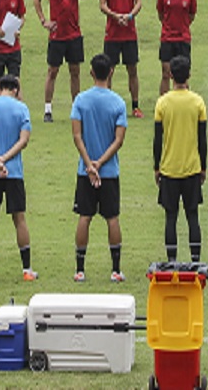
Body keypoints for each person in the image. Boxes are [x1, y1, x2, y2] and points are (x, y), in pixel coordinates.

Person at [70, 54, 128, 283]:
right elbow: (118, 140)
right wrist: (101, 163)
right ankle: (115, 270)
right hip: (109, 171)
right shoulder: (118, 103)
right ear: (111, 72)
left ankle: (80, 270)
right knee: (112, 217)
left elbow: (77, 135)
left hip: (85, 171)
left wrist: (89, 164)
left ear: (91, 72)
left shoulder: (81, 100)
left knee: (85, 217)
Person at [0, 74, 35, 281]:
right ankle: (27, 270)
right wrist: (5, 159)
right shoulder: (22, 109)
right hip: (14, 172)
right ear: (16, 90)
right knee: (19, 218)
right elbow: (24, 140)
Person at [154, 55, 208, 263]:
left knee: (171, 217)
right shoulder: (197, 102)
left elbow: (157, 140)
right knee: (192, 216)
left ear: (170, 75)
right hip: (192, 168)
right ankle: (195, 260)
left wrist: (156, 167)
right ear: (189, 75)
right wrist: (203, 166)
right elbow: (202, 139)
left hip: (168, 169)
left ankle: (172, 260)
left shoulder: (162, 103)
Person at [35, 0, 86, 123]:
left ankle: (76, 107)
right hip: (56, 35)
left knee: (75, 71)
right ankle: (47, 109)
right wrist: (43, 21)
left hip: (73, 33)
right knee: (52, 71)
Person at [98, 0, 143, 117]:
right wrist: (116, 16)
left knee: (132, 70)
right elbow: (102, 4)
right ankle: (108, 106)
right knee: (109, 70)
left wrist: (130, 15)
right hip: (112, 34)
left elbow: (138, 2)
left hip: (129, 33)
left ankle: (135, 106)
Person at [157, 0, 197, 97]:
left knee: (183, 74)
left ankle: (185, 101)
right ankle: (163, 102)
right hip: (167, 38)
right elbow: (161, 14)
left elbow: (191, 15)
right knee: (165, 72)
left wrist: (183, 25)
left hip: (183, 38)